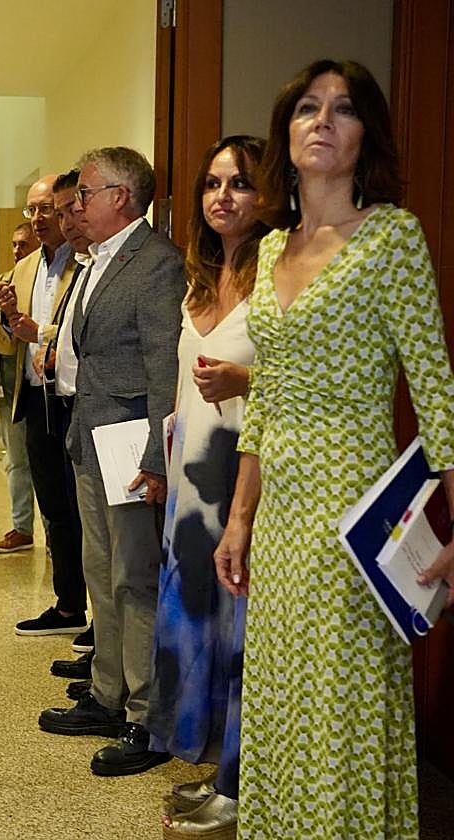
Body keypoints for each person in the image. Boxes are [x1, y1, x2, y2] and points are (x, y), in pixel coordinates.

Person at [213, 59, 454, 838]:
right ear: (285, 133)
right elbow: (266, 396)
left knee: (338, 709)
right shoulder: (272, 248)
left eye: (344, 109)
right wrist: (240, 517)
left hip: (354, 513)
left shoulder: (390, 238)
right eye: (308, 107)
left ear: (364, 136)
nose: (323, 120)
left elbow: (436, 388)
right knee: (282, 699)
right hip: (280, 519)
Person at [38, 147, 184, 778]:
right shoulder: (96, 259)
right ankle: (107, 693)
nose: (76, 205)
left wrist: (156, 456)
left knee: (134, 578)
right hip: (91, 440)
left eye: (86, 193)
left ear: (121, 197)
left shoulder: (155, 263)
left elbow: (164, 368)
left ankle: (146, 716)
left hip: (129, 449)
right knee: (101, 574)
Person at [144, 136, 267, 839]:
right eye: (213, 183)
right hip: (192, 483)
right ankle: (219, 766)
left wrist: (246, 379)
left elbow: (301, 379)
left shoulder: (277, 280)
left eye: (240, 183)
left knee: (244, 635)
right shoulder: (196, 278)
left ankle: (243, 785)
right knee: (197, 624)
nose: (223, 196)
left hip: (248, 481)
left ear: (267, 195)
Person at [0, 172, 90, 642]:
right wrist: (8, 318)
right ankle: (68, 604)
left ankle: (103, 616)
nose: (37, 219)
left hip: (75, 400)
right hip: (35, 399)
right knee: (53, 508)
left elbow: (80, 334)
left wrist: (40, 333)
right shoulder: (25, 267)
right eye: (31, 210)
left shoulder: (87, 261)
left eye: (46, 209)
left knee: (84, 510)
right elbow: (7, 344)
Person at [0, 221, 40, 556]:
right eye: (14, 244)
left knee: (47, 465)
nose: (17, 250)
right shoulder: (1, 285)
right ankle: (21, 528)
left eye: (23, 244)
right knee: (16, 462)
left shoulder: (54, 281)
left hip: (45, 389)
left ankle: (56, 535)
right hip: (9, 390)